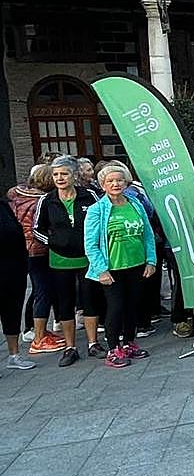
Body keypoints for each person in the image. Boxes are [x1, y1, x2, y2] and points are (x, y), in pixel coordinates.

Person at [83, 163, 155, 369]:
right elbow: (90, 244)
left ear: (126, 182)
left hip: (136, 265)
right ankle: (114, 348)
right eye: (110, 181)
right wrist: (101, 270)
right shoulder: (97, 210)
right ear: (103, 185)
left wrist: (151, 260)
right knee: (116, 307)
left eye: (119, 180)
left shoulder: (135, 204)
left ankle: (129, 343)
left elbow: (148, 234)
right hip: (111, 268)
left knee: (133, 305)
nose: (115, 184)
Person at [33, 156, 103, 365]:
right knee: (65, 303)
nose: (59, 178)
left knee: (90, 299)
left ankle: (93, 343)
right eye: (56, 175)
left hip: (87, 258)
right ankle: (70, 347)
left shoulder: (89, 195)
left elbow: (102, 219)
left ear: (74, 175)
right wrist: (54, 242)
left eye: (64, 174)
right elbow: (37, 229)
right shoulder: (47, 200)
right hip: (60, 260)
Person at [9, 165, 64, 354]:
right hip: (39, 249)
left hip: (24, 249)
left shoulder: (17, 195)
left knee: (39, 290)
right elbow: (39, 227)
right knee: (43, 291)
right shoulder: (42, 201)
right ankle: (38, 338)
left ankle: (38, 331)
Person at [0, 194, 35, 371]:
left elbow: (17, 232)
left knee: (12, 311)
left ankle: (14, 355)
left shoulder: (3, 206)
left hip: (13, 269)